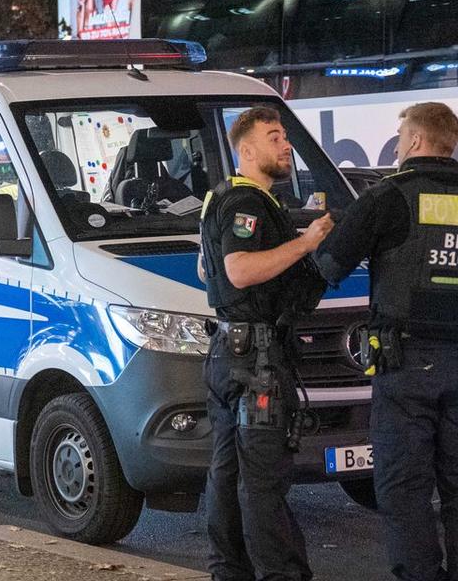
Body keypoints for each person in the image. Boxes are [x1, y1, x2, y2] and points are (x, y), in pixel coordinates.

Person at [312, 102, 458, 581]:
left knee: (404, 488)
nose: (397, 146)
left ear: (416, 141)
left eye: (401, 136)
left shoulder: (388, 197)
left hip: (406, 363)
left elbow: (331, 265)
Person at [199, 106, 332, 581]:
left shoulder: (223, 198)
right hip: (255, 361)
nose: (286, 144)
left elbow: (208, 272)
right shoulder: (247, 204)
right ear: (248, 151)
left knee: (228, 473)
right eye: (275, 137)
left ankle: (229, 572)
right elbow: (239, 270)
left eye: (285, 137)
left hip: (229, 353)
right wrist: (306, 242)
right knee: (262, 480)